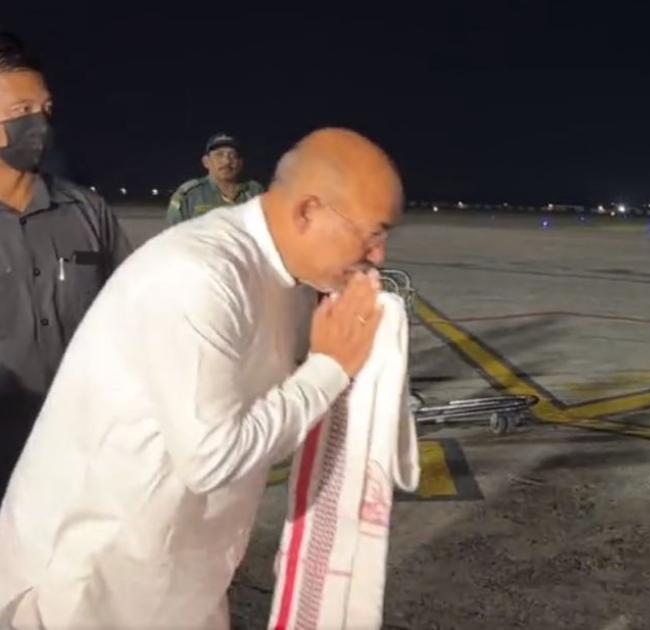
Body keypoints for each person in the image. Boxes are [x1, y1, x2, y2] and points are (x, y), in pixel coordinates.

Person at [0, 127, 403, 629]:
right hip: (84, 579)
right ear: (308, 212)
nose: (378, 255)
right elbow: (212, 458)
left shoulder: (288, 282)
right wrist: (328, 369)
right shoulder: (198, 275)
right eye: (372, 233)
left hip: (175, 570)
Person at [0, 30, 131, 494]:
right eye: (22, 111)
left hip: (80, 456)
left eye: (46, 108)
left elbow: (131, 316)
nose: (39, 123)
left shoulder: (87, 212)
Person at [165, 132, 265, 225]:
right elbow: (173, 235)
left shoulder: (255, 192)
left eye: (233, 155)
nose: (227, 161)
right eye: (219, 155)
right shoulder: (188, 195)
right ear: (206, 162)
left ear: (240, 163)